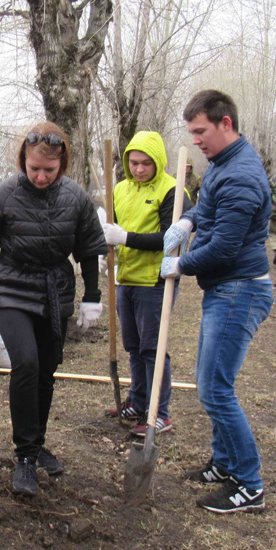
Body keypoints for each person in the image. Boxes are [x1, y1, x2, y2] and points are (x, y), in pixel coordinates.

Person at [0, 122, 106, 497]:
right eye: (34, 168)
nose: (41, 177)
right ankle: (24, 457)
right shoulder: (4, 195)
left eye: (50, 170)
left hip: (54, 291)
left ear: (63, 164)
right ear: (23, 161)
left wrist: (93, 296)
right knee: (26, 363)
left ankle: (38, 442)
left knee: (46, 370)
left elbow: (89, 249)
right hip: (9, 287)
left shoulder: (75, 198)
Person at [160, 90, 273, 514]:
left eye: (201, 132)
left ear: (226, 123)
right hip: (226, 288)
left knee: (214, 388)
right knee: (215, 383)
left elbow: (224, 248)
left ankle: (249, 483)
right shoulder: (225, 164)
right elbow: (209, 208)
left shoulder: (241, 174)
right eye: (191, 133)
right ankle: (224, 464)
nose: (196, 141)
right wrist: (188, 220)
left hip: (238, 289)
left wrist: (180, 264)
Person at [101, 131, 191, 439]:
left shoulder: (172, 192)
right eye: (134, 163)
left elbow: (169, 240)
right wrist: (107, 251)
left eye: (146, 163)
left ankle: (160, 413)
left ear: (159, 162)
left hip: (154, 281)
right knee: (134, 347)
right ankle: (138, 402)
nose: (139, 169)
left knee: (153, 349)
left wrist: (125, 238)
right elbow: (111, 229)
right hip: (125, 278)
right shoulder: (121, 189)